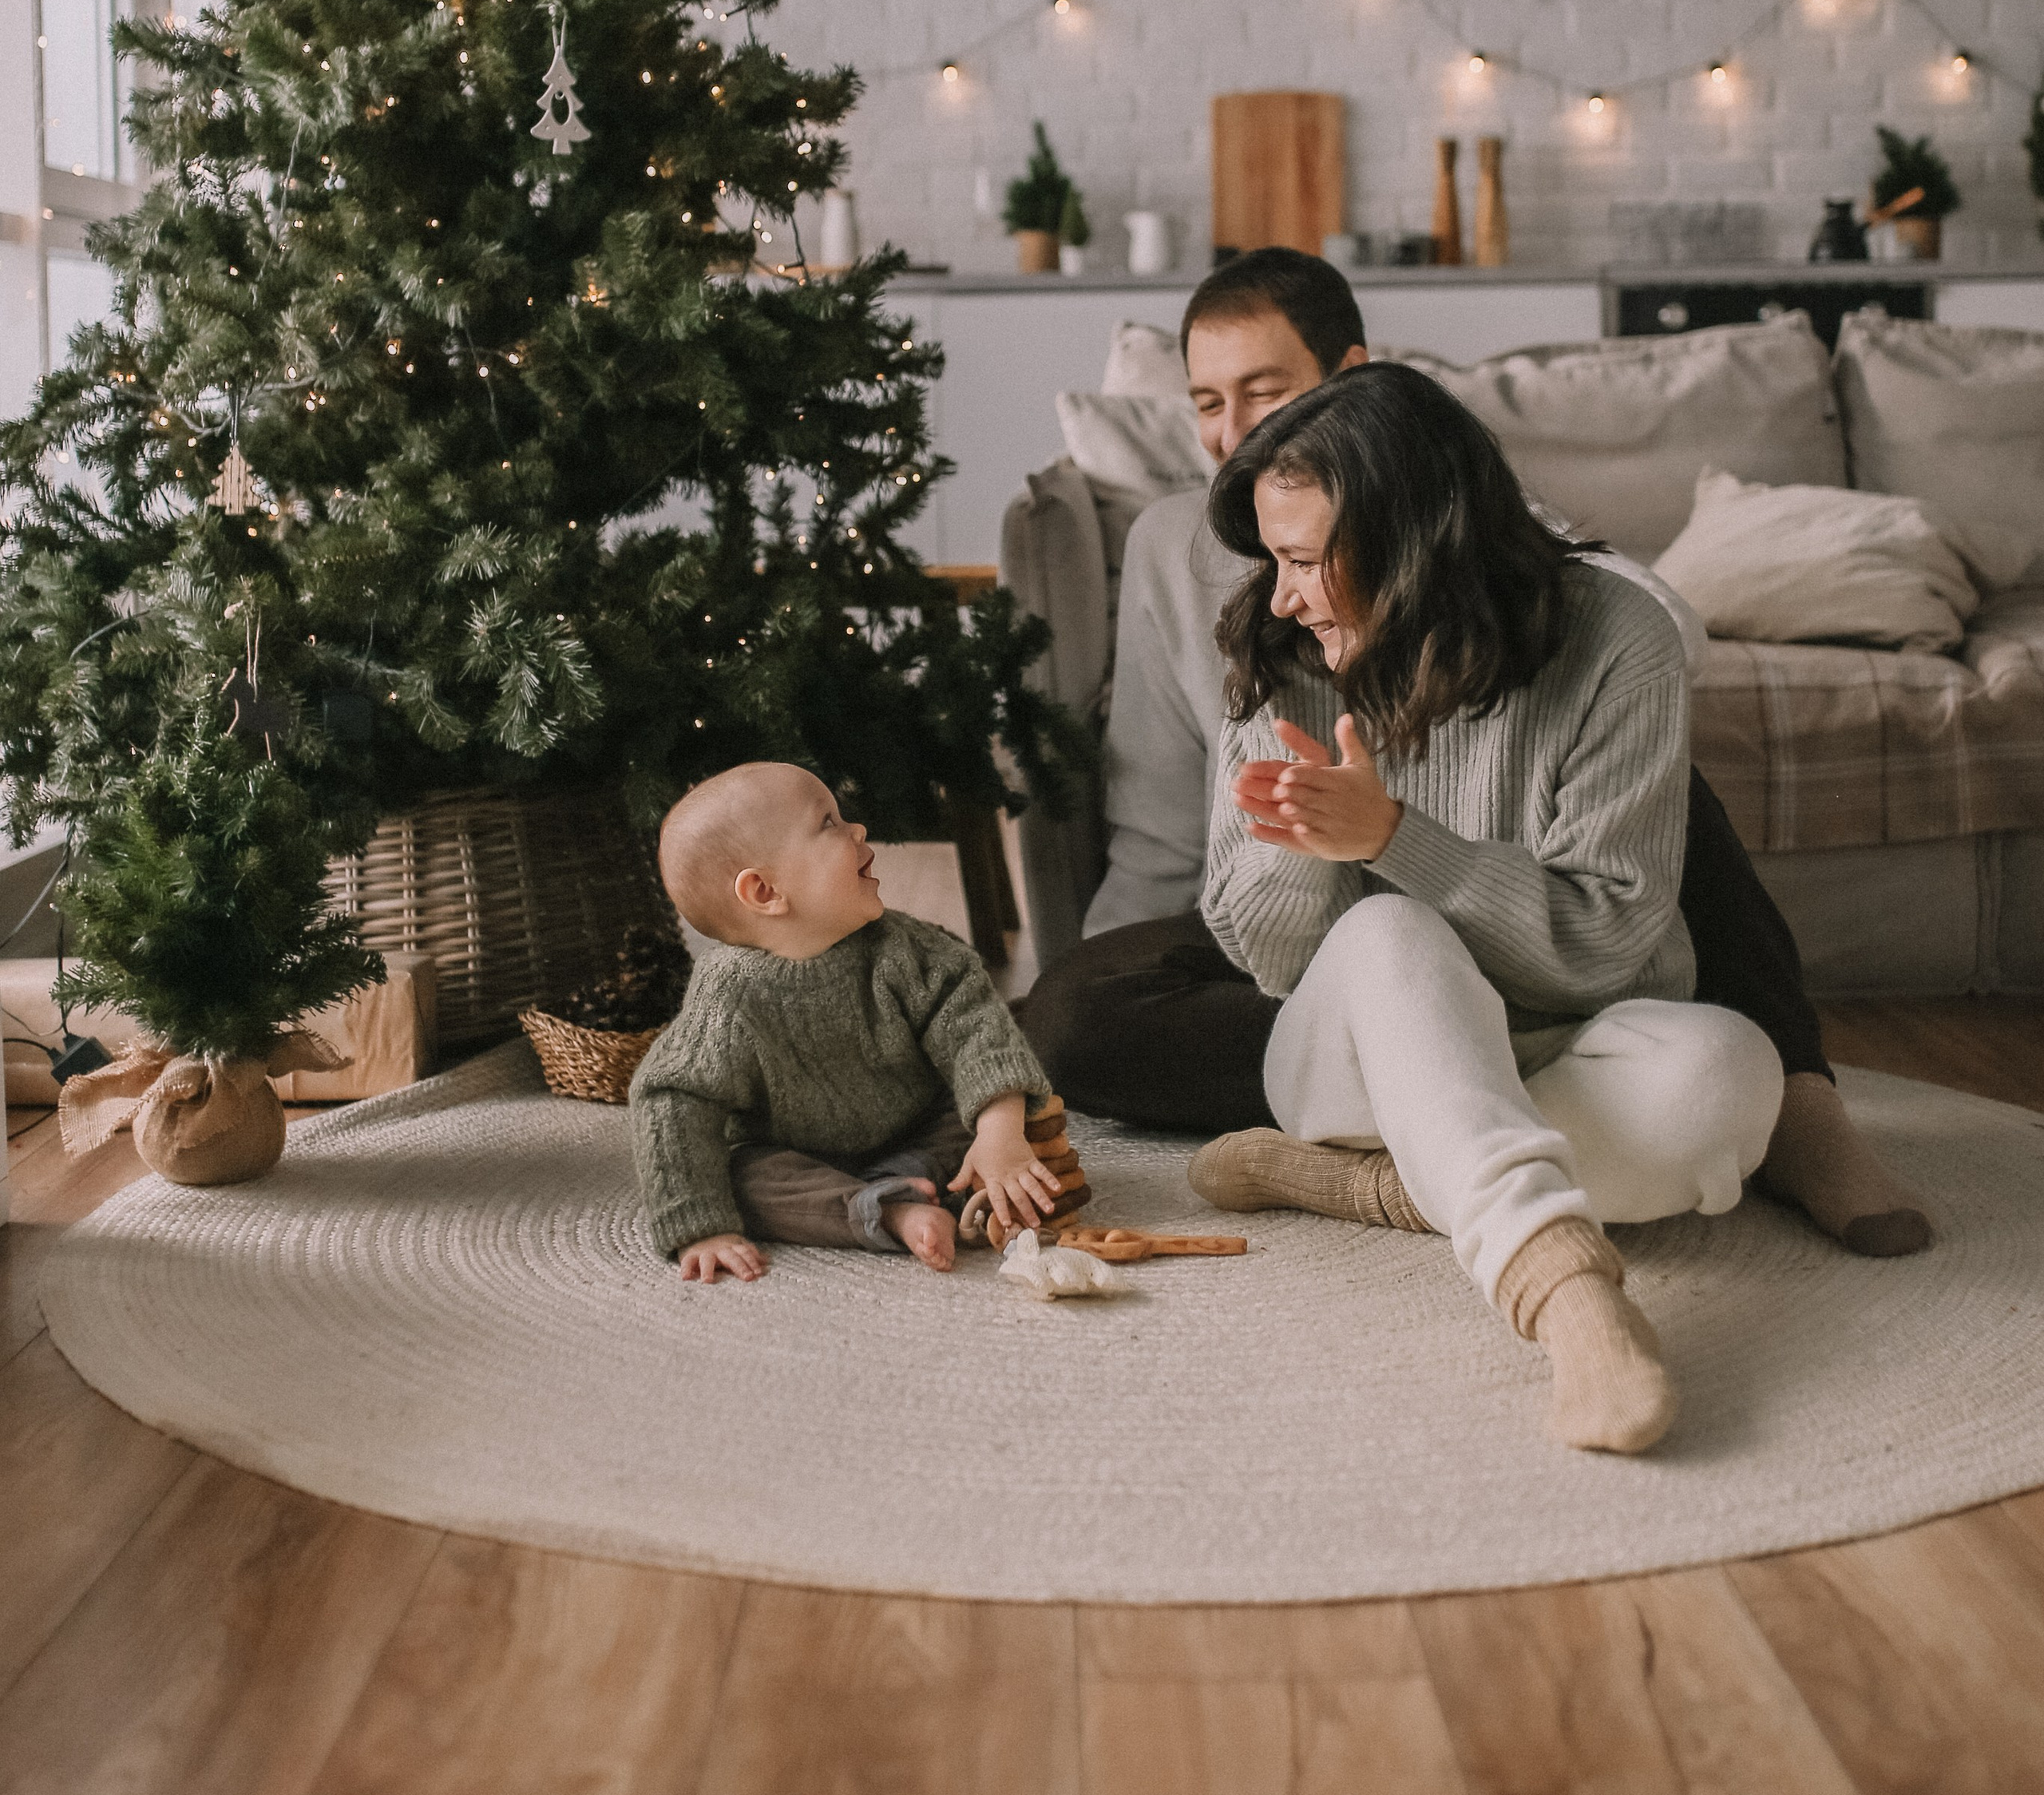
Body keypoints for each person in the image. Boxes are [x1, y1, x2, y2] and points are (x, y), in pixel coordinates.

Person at [1020, 247, 1931, 1258]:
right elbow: (1156, 805)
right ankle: (1481, 1141)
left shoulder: (1472, 524)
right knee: (1079, 1013)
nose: (1235, 430)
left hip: (1507, 893)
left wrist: (1423, 789)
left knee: (1720, 1032)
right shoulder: (1196, 563)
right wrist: (1291, 845)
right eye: (1204, 401)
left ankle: (1401, 1157)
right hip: (1310, 933)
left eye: (1265, 393)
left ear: (1350, 378)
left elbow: (1643, 637)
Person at [1186, 363, 1787, 1452]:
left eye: (1307, 562)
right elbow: (1272, 962)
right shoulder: (1285, 657)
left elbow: (1609, 944)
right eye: (1274, 561)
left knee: (1730, 1079)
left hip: (1574, 1037)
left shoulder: (1618, 642)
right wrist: (1320, 841)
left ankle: (1372, 1186)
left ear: (1418, 552)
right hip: (1353, 1059)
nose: (1281, 596)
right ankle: (1569, 1298)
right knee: (1388, 928)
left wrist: (1397, 840)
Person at [631, 763, 1058, 1278]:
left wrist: (999, 1132)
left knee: (998, 1116)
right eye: (828, 823)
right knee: (735, 1174)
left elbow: (977, 1030)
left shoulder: (906, 951)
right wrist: (699, 1227)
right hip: (801, 1158)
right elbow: (673, 1096)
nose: (857, 829)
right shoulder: (727, 995)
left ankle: (915, 1181)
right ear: (765, 892)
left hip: (919, 1128)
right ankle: (891, 1210)